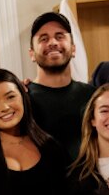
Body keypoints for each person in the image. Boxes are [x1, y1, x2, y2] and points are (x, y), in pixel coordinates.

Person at [26, 10, 93, 158]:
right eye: (43, 39)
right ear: (32, 54)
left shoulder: (93, 96)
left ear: (73, 49)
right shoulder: (23, 100)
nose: (53, 43)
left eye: (59, 36)